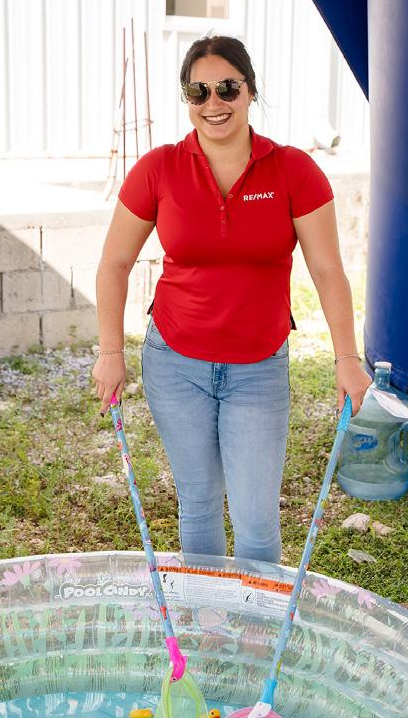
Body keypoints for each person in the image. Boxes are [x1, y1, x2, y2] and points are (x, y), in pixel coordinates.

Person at [93, 35, 370, 564]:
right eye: (198, 91)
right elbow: (114, 264)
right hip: (174, 362)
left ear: (250, 90)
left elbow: (328, 271)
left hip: (258, 367)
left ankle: (255, 616)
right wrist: (111, 352)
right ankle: (205, 612)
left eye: (227, 88)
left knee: (257, 519)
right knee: (198, 505)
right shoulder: (158, 168)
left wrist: (347, 359)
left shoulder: (293, 170)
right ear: (187, 98)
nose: (213, 103)